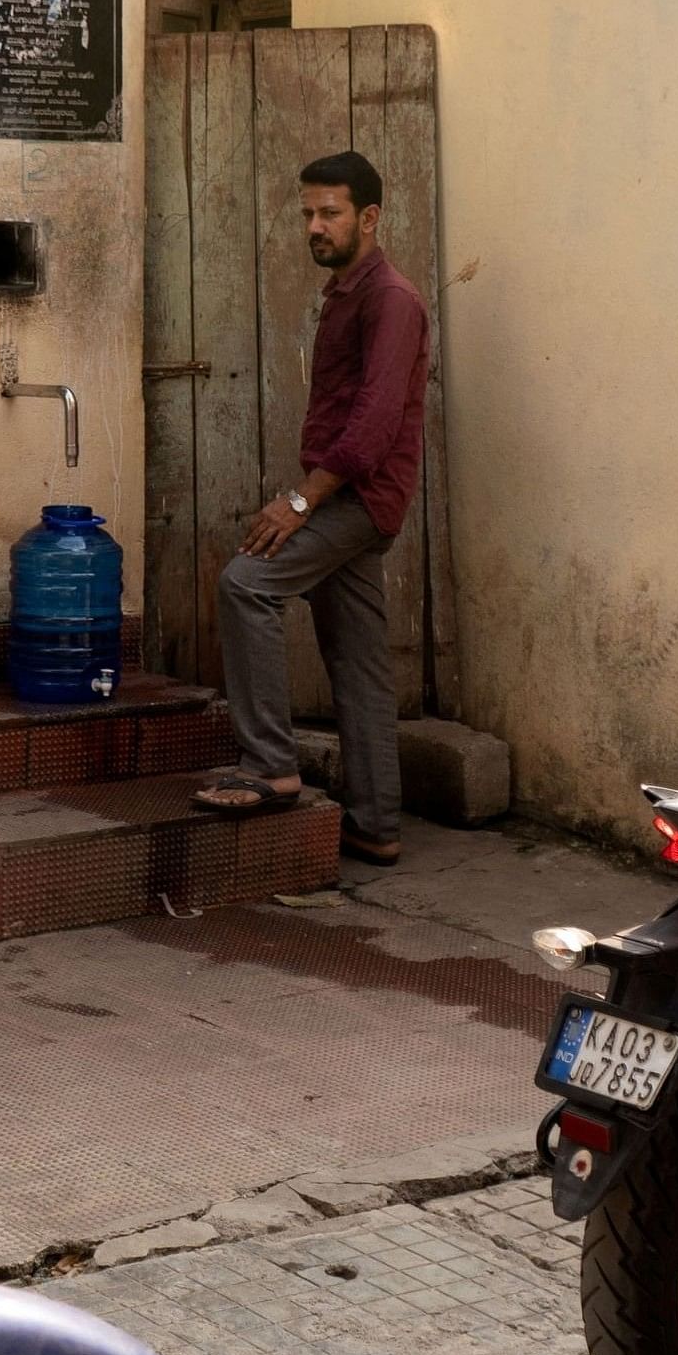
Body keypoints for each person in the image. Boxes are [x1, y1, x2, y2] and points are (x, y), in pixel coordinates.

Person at [191, 149, 431, 867]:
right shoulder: (349, 291)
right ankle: (375, 823)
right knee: (357, 661)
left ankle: (269, 763)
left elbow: (375, 426)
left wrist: (300, 500)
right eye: (307, 214)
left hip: (355, 498)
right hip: (352, 496)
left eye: (329, 213)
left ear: (369, 217)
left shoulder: (391, 298)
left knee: (246, 583)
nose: (315, 227)